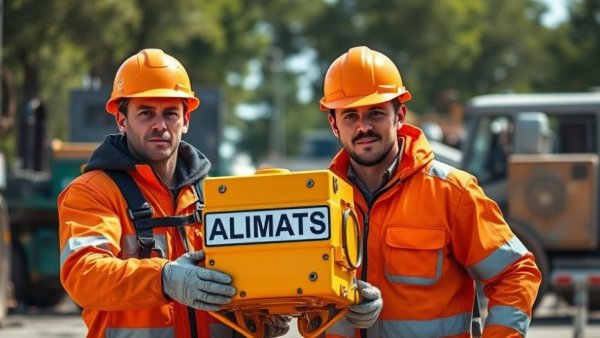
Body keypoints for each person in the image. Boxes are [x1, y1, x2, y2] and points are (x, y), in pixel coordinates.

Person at [58, 49, 289, 338]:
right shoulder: (92, 192)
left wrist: (262, 313)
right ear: (121, 120)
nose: (160, 125)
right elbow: (83, 275)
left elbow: (240, 279)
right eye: (145, 113)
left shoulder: (215, 197)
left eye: (170, 113)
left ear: (186, 120)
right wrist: (163, 279)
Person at [319, 46, 541, 338]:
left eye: (376, 112)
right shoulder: (317, 203)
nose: (364, 127)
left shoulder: (452, 193)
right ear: (334, 124)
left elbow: (515, 273)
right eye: (350, 116)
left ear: (400, 115)